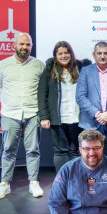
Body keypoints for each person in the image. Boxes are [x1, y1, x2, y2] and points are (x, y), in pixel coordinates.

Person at [0, 33, 45, 200]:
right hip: (10, 113)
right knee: (8, 149)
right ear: (14, 45)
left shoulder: (39, 65)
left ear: (31, 45)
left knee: (33, 150)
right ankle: (5, 184)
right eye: (21, 44)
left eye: (28, 45)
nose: (25, 47)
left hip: (32, 112)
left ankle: (33, 182)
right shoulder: (3, 65)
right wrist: (8, 102)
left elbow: (43, 90)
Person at [38, 41, 91, 172]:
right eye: (60, 53)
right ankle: (62, 180)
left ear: (71, 53)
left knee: (75, 150)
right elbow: (42, 94)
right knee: (60, 151)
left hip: (77, 117)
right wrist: (44, 116)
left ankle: (75, 179)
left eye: (66, 53)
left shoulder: (80, 68)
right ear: (55, 55)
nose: (63, 56)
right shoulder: (49, 70)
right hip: (58, 119)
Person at [76, 42, 107, 163]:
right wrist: (98, 114)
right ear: (94, 55)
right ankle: (93, 181)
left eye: (105, 53)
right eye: (99, 53)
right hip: (91, 121)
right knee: (92, 156)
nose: (102, 56)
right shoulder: (85, 71)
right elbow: (80, 97)